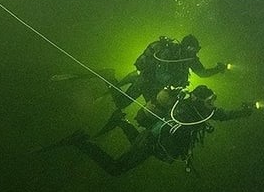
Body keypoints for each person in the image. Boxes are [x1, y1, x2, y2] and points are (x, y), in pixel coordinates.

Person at [60, 84, 254, 175]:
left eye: (214, 100)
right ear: (198, 100)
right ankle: (80, 142)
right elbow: (175, 133)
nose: (213, 104)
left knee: (143, 144)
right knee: (115, 169)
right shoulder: (186, 111)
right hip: (151, 142)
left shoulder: (204, 112)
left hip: (153, 142)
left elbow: (225, 115)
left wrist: (244, 112)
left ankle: (122, 122)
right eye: (210, 101)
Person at [97, 34, 228, 137]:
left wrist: (217, 69)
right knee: (121, 103)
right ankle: (109, 76)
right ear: (186, 47)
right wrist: (173, 83)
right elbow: (160, 74)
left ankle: (130, 128)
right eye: (193, 49)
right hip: (145, 81)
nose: (195, 52)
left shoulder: (191, 59)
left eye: (196, 50)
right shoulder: (169, 53)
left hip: (159, 90)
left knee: (154, 114)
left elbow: (202, 73)